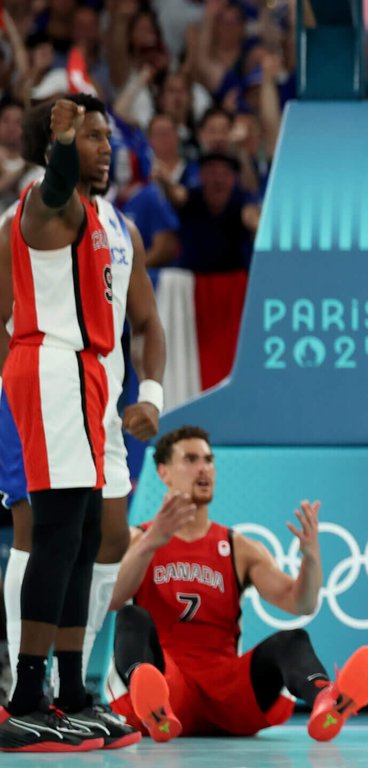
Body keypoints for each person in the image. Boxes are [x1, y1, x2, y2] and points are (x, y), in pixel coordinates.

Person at [0, 102, 168, 748]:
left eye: (107, 135)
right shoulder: (49, 207)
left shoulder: (115, 225)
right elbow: (59, 179)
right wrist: (65, 145)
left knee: (92, 532)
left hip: (93, 377)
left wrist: (146, 392)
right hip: (50, 364)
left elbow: (148, 323)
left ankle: (70, 692)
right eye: (91, 136)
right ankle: (25, 698)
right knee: (56, 531)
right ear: (58, 146)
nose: (106, 146)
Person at [106, 426, 368, 742]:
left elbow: (300, 603)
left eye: (209, 460)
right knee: (132, 618)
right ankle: (151, 702)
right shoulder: (137, 539)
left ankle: (327, 698)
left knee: (290, 640)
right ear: (163, 472)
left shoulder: (239, 548)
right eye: (191, 459)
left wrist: (312, 559)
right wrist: (152, 542)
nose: (203, 468)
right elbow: (113, 600)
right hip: (167, 684)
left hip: (226, 692)